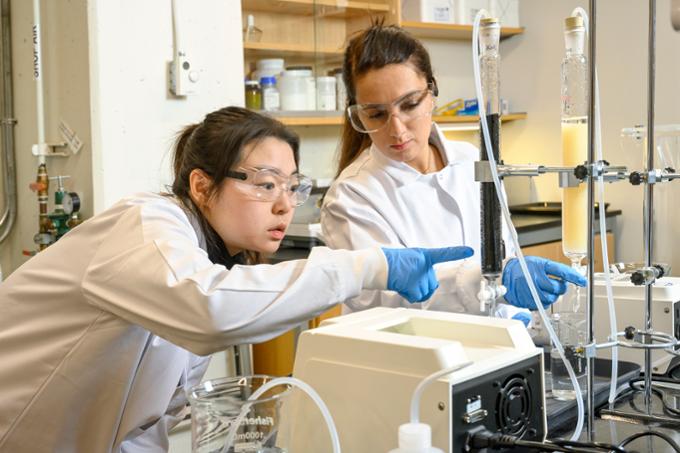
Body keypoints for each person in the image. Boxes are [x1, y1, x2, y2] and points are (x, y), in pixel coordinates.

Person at [0, 107, 473, 452]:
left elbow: (141, 426)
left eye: (292, 186)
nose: (286, 205)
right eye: (265, 184)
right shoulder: (146, 226)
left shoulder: (212, 260)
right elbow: (211, 310)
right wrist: (371, 265)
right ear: (202, 186)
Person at [320, 23, 586, 325]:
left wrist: (516, 318)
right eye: (376, 114)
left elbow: (505, 253)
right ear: (358, 112)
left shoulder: (471, 160)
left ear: (432, 92)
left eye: (409, 105)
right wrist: (490, 282)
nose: (396, 129)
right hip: (411, 359)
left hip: (493, 347)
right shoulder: (352, 195)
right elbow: (386, 295)